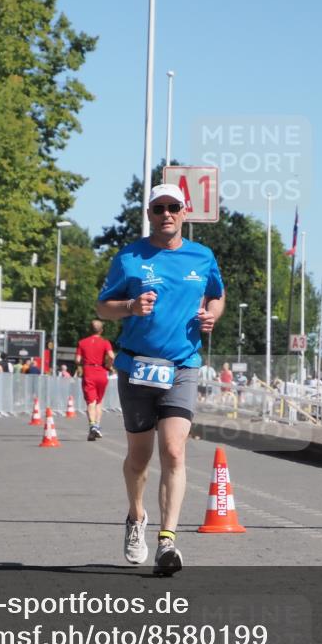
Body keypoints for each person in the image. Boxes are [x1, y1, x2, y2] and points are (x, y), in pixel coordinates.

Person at [96, 183, 225, 575]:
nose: (166, 214)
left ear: (185, 211)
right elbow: (103, 307)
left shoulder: (202, 257)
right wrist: (130, 306)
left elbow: (216, 295)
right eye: (158, 208)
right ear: (149, 213)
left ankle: (167, 542)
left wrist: (212, 316)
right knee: (139, 458)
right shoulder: (130, 257)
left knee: (174, 451)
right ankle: (136, 518)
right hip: (136, 366)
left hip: (182, 365)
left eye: (173, 207)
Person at [76, 320, 115, 441]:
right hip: (101, 372)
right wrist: (108, 365)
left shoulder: (82, 342)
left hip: (89, 372)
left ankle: (92, 425)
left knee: (91, 401)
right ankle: (97, 426)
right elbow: (112, 356)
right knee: (99, 401)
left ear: (89, 330)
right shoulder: (105, 342)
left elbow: (77, 360)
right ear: (101, 330)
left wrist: (83, 363)